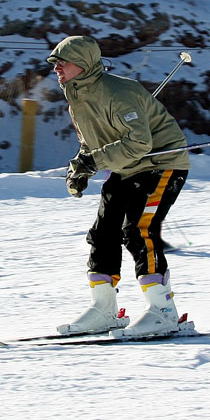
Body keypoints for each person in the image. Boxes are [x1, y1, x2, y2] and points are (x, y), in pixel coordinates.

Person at [47, 35, 191, 337]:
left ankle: (163, 311)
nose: (57, 67)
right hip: (126, 166)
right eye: (55, 63)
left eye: (63, 62)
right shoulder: (77, 96)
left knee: (138, 229)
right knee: (102, 233)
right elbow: (91, 142)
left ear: (84, 64)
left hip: (160, 163)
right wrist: (80, 168)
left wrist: (94, 161)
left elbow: (139, 142)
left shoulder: (118, 92)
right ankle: (104, 311)